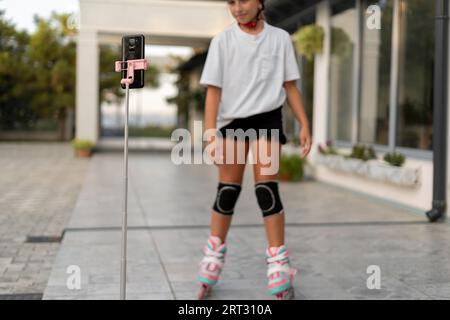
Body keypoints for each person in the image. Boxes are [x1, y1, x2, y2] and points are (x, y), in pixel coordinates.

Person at [197, 0, 312, 300]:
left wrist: (305, 125)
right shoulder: (222, 41)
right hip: (232, 121)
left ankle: (278, 263)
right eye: (231, 2)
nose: (237, 8)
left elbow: (290, 87)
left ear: (260, 2)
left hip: (267, 118)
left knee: (266, 191)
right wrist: (211, 134)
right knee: (227, 192)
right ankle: (213, 255)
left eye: (243, 0)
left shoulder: (280, 39)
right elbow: (213, 91)